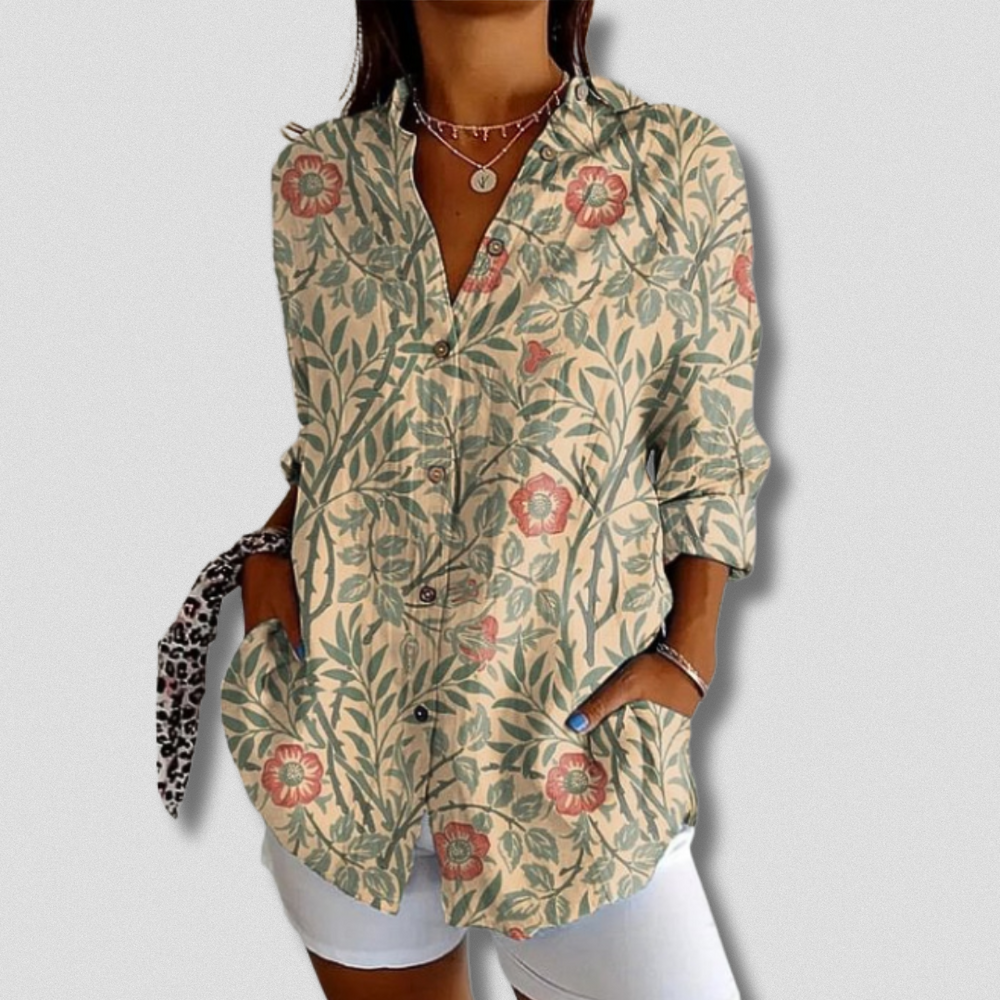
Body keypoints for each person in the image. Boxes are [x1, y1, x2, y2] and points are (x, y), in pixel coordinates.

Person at [233, 2, 770, 997]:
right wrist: (268, 571)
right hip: (344, 755)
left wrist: (689, 655)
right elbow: (338, 430)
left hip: (573, 761)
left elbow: (711, 445)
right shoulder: (316, 182)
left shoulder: (676, 164)